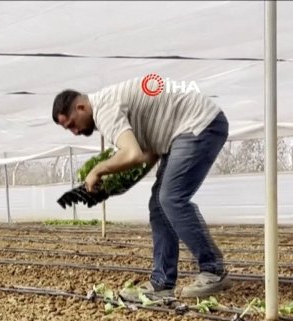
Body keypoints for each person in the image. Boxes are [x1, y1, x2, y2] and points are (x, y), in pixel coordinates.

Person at [51, 76, 230, 299]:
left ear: (81, 107)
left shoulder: (104, 110)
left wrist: (97, 170)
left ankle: (213, 270)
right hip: (182, 132)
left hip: (199, 124)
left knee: (170, 198)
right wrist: (118, 184)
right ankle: (162, 283)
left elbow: (132, 154)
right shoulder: (111, 105)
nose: (75, 132)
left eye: (72, 124)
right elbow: (147, 154)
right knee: (159, 204)